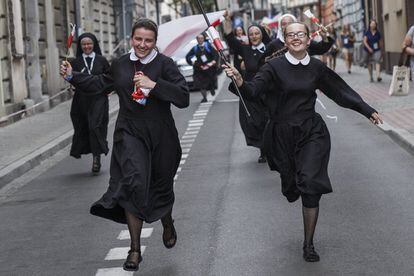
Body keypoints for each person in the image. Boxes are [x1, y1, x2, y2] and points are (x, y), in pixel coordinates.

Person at [223, 22, 382, 262]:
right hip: (282, 134)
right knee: (292, 186)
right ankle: (292, 184)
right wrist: (240, 80)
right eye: (291, 35)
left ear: (309, 40)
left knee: (310, 183)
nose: (296, 38)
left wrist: (366, 110)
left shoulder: (317, 67)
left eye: (301, 34)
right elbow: (254, 91)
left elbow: (340, 91)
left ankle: (308, 244)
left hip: (311, 131)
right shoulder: (273, 67)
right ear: (284, 40)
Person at [60, 19, 189, 271]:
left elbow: (183, 96)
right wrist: (73, 77)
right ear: (131, 38)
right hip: (129, 132)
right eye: (138, 39)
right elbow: (99, 84)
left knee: (160, 185)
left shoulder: (164, 64)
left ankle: (167, 220)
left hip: (161, 133)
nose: (142, 45)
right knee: (133, 183)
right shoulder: (120, 64)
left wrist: (155, 85)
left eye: (148, 40)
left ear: (155, 42)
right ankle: (134, 249)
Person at [223, 14, 271, 163]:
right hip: (250, 91)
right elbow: (230, 38)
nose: (254, 36)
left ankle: (272, 147)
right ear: (248, 36)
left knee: (270, 120)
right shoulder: (244, 49)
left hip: (268, 90)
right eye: (251, 34)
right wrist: (227, 22)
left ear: (262, 34)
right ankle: (263, 150)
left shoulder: (271, 48)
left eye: (257, 33)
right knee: (255, 122)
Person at [69, 33, 110, 174]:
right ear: (80, 46)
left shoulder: (102, 60)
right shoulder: (75, 62)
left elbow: (109, 77)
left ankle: (96, 158)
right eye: (84, 44)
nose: (87, 46)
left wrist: (108, 90)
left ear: (94, 45)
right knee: (84, 127)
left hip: (98, 99)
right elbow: (71, 79)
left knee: (95, 127)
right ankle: (90, 152)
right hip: (81, 100)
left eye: (89, 44)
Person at [261, 13, 335, 64]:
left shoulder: (304, 41)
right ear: (280, 27)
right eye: (284, 24)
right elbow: (263, 61)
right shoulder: (273, 44)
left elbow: (321, 49)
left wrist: (324, 37)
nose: (287, 26)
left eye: (290, 23)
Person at [185, 34, 219, 103]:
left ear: (203, 39)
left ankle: (211, 88)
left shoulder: (208, 46)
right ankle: (204, 98)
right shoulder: (195, 48)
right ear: (197, 39)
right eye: (199, 38)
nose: (200, 40)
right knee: (201, 85)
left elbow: (216, 54)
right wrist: (193, 63)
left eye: (201, 38)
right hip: (199, 69)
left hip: (209, 68)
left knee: (211, 81)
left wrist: (213, 62)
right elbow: (188, 57)